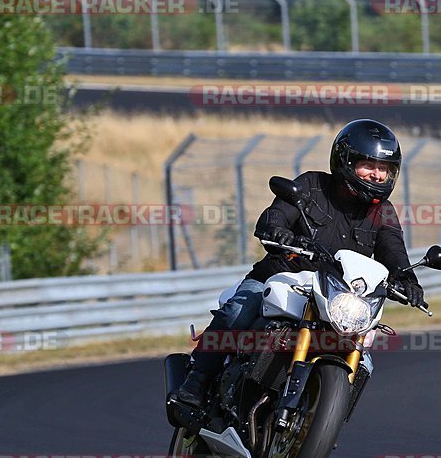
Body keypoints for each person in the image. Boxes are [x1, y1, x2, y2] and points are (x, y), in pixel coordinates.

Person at [175, 119, 425, 409]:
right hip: (282, 277)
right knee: (237, 311)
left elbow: (393, 250)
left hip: (336, 296)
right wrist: (276, 228)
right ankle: (197, 379)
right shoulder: (312, 185)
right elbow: (277, 213)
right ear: (346, 160)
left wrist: (408, 281)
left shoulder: (384, 212)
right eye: (370, 165)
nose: (378, 175)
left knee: (363, 356)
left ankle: (319, 415)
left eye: (385, 169)